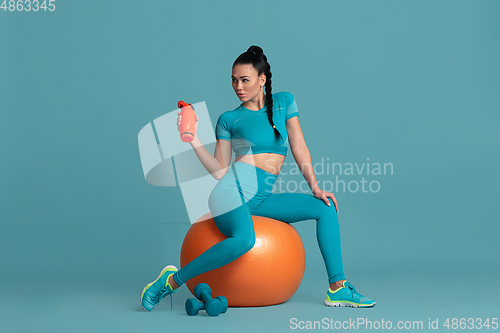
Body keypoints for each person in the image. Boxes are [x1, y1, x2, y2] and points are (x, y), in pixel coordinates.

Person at [140, 45, 375, 311]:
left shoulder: (285, 102)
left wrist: (315, 187)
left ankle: (338, 288)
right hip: (230, 193)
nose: (238, 86)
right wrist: (194, 140)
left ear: (262, 80)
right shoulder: (229, 119)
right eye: (233, 80)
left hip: (260, 199)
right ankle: (169, 282)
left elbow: (299, 146)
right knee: (245, 240)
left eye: (245, 80)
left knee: (326, 207)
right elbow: (220, 169)